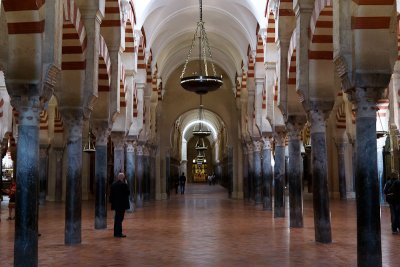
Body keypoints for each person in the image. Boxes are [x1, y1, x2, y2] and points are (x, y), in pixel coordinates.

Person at [109, 172, 130, 238]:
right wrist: (126, 184)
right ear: (123, 178)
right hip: (122, 205)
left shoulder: (113, 185)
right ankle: (119, 233)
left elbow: (111, 195)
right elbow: (128, 193)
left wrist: (112, 203)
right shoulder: (124, 185)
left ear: (118, 177)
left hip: (116, 205)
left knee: (117, 218)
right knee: (120, 219)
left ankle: (116, 233)